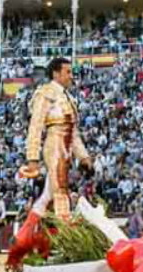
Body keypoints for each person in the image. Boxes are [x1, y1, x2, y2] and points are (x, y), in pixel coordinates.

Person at [21, 57, 93, 221]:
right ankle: (65, 228)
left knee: (48, 195)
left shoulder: (68, 98)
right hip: (54, 147)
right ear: (56, 74)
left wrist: (83, 157)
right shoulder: (45, 93)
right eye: (68, 72)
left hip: (66, 150)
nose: (71, 76)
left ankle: (26, 232)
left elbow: (73, 132)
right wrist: (32, 158)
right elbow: (36, 126)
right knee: (60, 190)